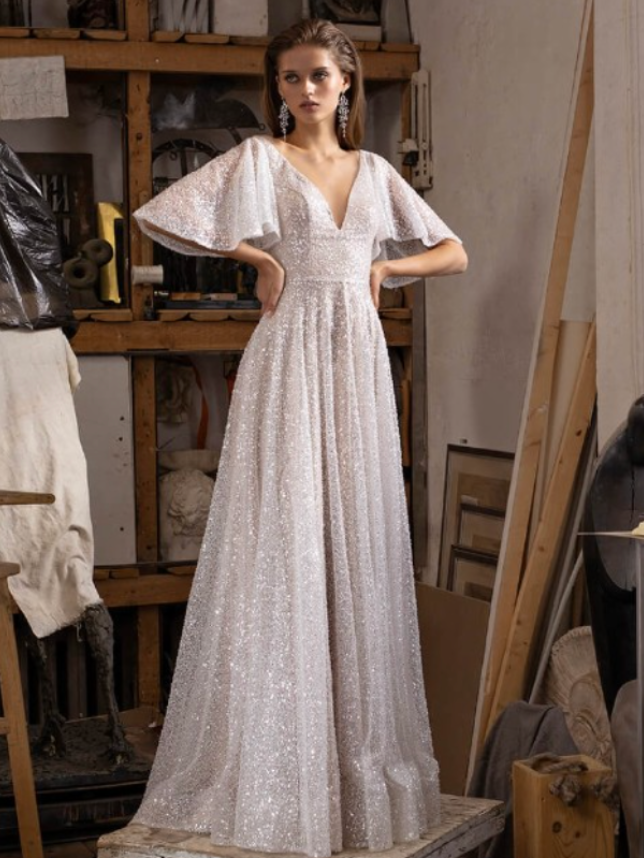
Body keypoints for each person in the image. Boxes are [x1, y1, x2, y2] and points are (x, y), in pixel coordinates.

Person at [132, 18, 467, 858]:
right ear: (277, 88)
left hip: (354, 365)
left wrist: (388, 268)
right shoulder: (258, 160)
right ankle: (282, 776)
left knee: (356, 538)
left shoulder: (377, 172)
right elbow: (164, 216)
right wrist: (258, 258)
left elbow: (455, 252)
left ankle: (356, 775)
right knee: (285, 540)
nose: (303, 90)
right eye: (288, 78)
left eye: (318, 75)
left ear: (346, 82)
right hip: (289, 362)